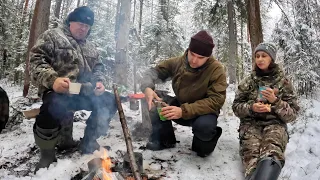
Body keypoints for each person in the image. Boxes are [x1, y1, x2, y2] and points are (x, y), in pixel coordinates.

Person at [30, 6, 119, 173]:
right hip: (60, 91)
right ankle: (47, 154)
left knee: (109, 100)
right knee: (51, 105)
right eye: (79, 23)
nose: (83, 28)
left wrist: (99, 82)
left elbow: (99, 68)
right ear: (70, 21)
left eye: (87, 26)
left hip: (85, 92)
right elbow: (36, 61)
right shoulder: (53, 36)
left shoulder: (91, 46)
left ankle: (89, 141)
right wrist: (53, 80)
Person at [140, 30, 227, 157]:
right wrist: (147, 88)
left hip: (203, 113)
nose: (194, 60)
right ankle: (165, 140)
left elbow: (216, 100)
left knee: (204, 131)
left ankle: (205, 143)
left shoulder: (216, 69)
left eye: (200, 57)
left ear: (208, 57)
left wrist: (183, 111)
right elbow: (152, 72)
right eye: (192, 54)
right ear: (188, 50)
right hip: (179, 105)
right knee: (155, 98)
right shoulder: (178, 62)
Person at [232, 42, 300, 180]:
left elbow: (292, 115)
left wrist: (276, 101)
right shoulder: (248, 82)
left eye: (264, 56)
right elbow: (236, 107)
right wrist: (251, 107)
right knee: (252, 156)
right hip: (251, 125)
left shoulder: (283, 82)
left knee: (272, 152)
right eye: (257, 56)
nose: (260, 59)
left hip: (275, 125)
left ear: (271, 59)